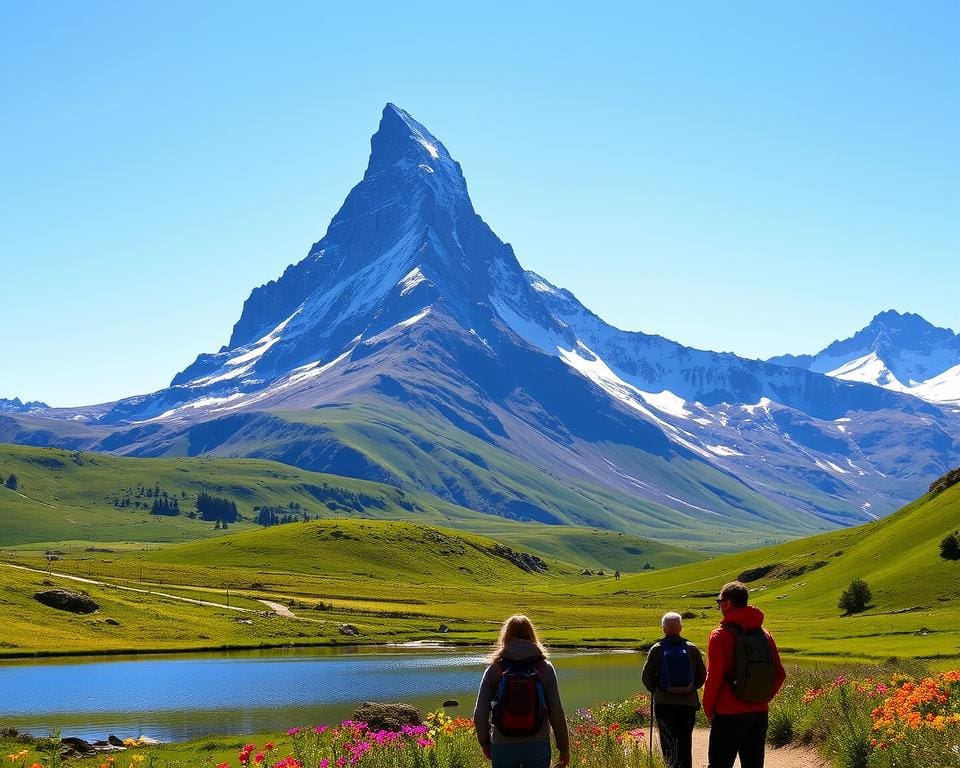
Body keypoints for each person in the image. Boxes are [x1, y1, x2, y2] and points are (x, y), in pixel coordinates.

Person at [703, 581, 786, 768]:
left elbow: (713, 678)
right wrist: (761, 697)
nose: (719, 606)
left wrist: (709, 710)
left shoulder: (719, 636)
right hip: (759, 712)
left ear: (729, 603)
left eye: (720, 601)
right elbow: (779, 674)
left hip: (727, 713)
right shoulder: (765, 634)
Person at [474, 614, 570, 768]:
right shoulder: (544, 668)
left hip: (502, 745)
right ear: (532, 635)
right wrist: (564, 748)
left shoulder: (495, 669)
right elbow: (556, 712)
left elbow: (480, 713)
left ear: (505, 636)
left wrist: (485, 742)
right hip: (537, 745)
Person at [641, 611, 707, 768]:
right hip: (688, 704)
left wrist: (658, 690)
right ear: (681, 628)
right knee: (685, 742)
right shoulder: (692, 648)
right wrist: (690, 689)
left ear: (664, 628)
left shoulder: (657, 649)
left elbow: (646, 677)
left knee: (668, 742)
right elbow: (702, 675)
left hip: (664, 704)